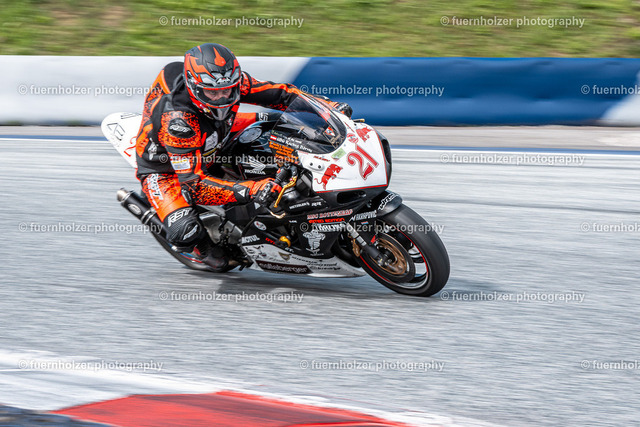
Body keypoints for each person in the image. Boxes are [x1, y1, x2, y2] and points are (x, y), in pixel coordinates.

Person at [134, 43, 352, 269]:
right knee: (189, 234)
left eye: (227, 90)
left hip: (218, 131)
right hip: (165, 169)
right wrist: (253, 189)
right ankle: (202, 249)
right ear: (194, 88)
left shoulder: (233, 82)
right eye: (212, 93)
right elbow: (194, 186)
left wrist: (329, 108)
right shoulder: (178, 123)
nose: (222, 98)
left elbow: (282, 94)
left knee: (279, 124)